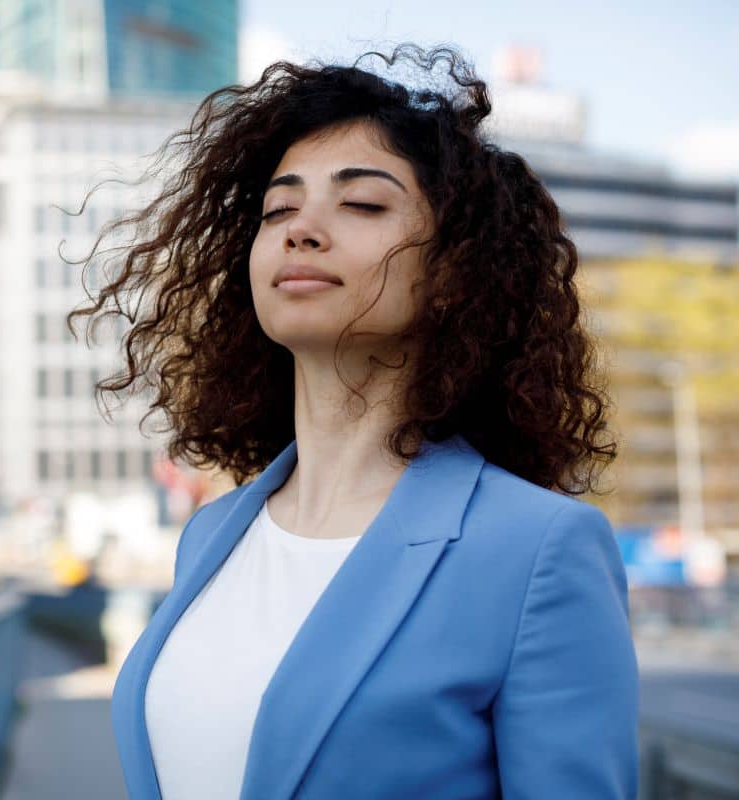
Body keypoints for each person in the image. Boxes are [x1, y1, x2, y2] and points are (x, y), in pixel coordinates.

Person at [67, 44, 639, 799]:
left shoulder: (540, 551)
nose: (301, 228)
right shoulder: (215, 532)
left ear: (453, 271)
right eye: (279, 209)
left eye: (362, 203)